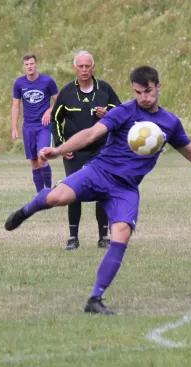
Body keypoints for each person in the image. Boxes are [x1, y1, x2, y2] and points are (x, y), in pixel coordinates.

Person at [5, 66, 191, 315]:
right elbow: (92, 133)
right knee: (57, 198)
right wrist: (58, 150)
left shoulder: (169, 123)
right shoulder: (125, 111)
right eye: (138, 92)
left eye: (148, 91)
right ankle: (26, 210)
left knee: (121, 234)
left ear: (158, 87)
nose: (143, 98)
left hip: (125, 188)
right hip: (99, 171)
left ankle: (95, 299)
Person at [51, 50, 121, 250]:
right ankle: (73, 238)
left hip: (101, 151)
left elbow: (121, 113)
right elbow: (55, 120)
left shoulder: (105, 90)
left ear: (93, 67)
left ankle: (103, 237)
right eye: (80, 66)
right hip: (74, 153)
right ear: (74, 68)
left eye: (87, 66)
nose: (84, 70)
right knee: (73, 192)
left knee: (102, 191)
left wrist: (108, 114)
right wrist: (61, 145)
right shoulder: (66, 92)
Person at [12, 53, 59, 192]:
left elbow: (60, 101)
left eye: (31, 64)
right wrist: (14, 127)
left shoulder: (47, 81)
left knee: (42, 155)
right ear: (24, 66)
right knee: (34, 161)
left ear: (36, 64)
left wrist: (50, 110)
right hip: (28, 127)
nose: (29, 67)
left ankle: (49, 191)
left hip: (44, 126)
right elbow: (15, 106)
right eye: (26, 65)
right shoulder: (19, 83)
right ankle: (40, 195)